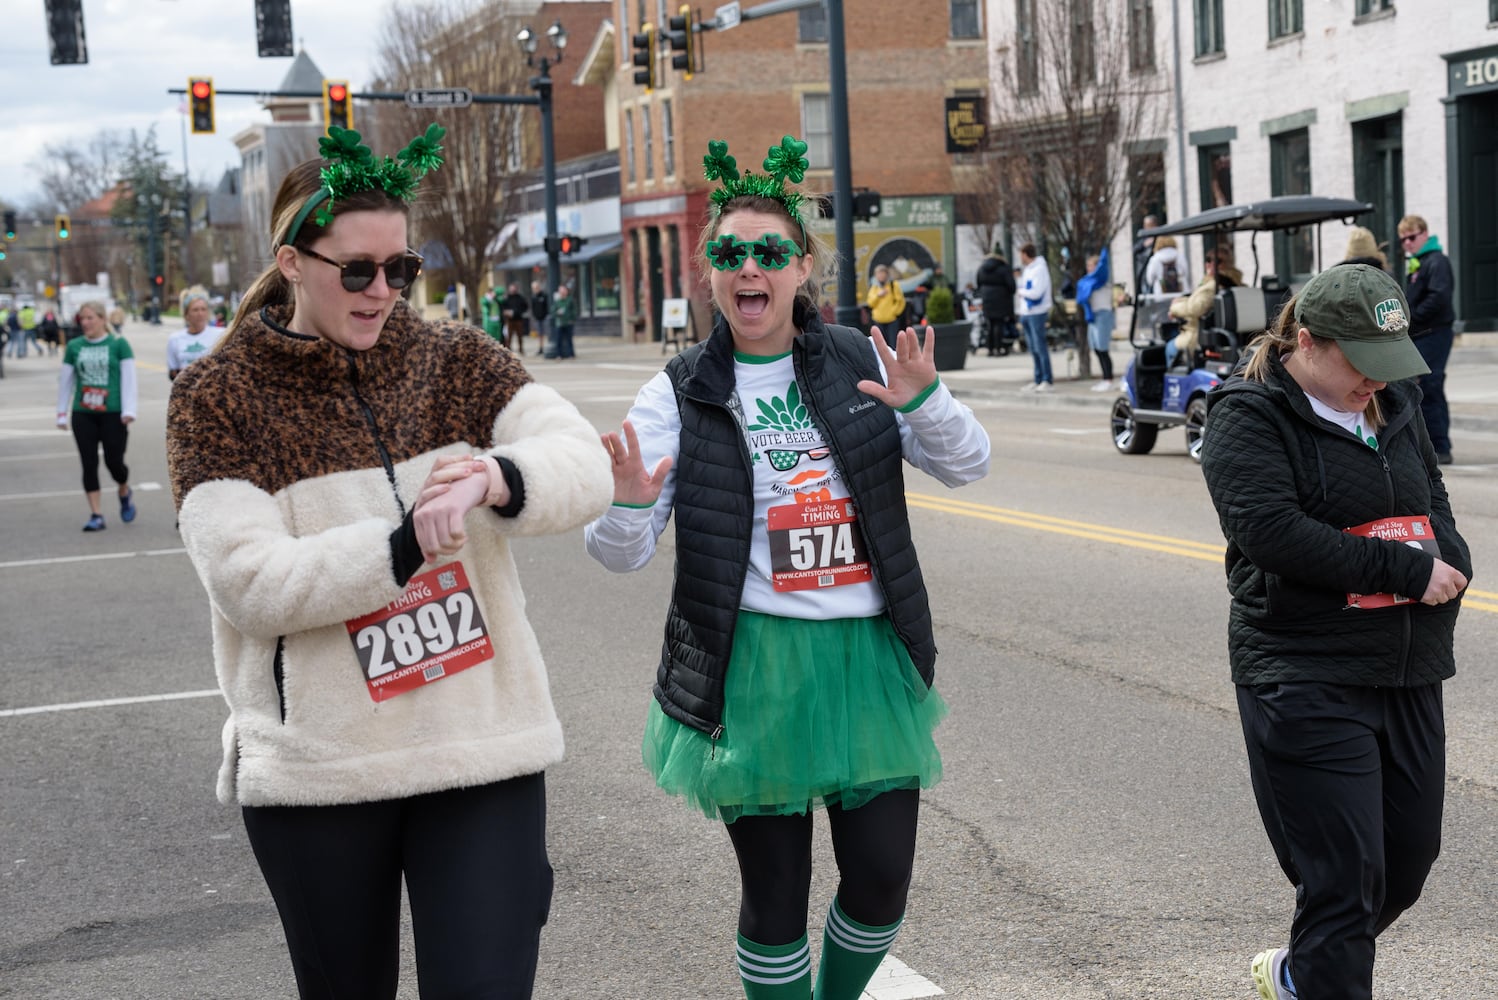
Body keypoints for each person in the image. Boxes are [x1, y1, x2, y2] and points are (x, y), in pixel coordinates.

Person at [164, 123, 612, 1000]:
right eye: (357, 270)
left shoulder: (453, 359)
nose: (383, 291)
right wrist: (400, 544)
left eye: (400, 268)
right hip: (322, 767)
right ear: (292, 261)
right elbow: (248, 582)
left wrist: (498, 473)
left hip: (477, 748)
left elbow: (582, 460)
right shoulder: (217, 397)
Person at [584, 135, 990, 1000]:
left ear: (802, 267)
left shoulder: (856, 358)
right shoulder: (681, 389)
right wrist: (621, 502)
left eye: (770, 251)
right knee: (776, 896)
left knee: (881, 882)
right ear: (709, 275)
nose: (750, 268)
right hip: (754, 664)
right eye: (730, 253)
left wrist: (928, 400)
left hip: (866, 660)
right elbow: (619, 555)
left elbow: (967, 465)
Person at [1200, 264, 1471, 1000]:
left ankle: (1301, 972)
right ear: (1309, 342)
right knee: (1344, 882)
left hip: (1408, 666)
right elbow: (1270, 532)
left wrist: (1451, 557)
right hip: (1304, 668)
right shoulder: (1248, 412)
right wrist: (1405, 570)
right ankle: (1324, 971)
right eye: (1361, 364)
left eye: (1388, 365)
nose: (1377, 383)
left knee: (1407, 866)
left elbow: (1432, 502)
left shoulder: (1399, 403)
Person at [56, 300, 137, 532]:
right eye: (83, 319)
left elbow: (129, 379)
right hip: (84, 414)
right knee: (88, 463)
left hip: (113, 413)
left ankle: (123, 488)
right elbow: (66, 381)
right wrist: (61, 412)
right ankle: (96, 514)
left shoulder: (119, 345)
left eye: (91, 318)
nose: (86, 323)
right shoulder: (74, 347)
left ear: (103, 319)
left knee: (115, 463)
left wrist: (129, 409)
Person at [1397, 214, 1456, 465]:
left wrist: (1410, 319)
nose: (1407, 243)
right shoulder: (1420, 263)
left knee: (1430, 385)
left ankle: (1440, 446)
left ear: (1424, 234)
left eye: (1411, 237)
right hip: (1421, 334)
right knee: (1423, 387)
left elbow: (1439, 298)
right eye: (1403, 240)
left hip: (1434, 333)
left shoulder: (1436, 261)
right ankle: (1432, 445)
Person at [1164, 244, 1243, 367]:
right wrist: (1182, 300)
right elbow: (1196, 302)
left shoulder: (1213, 286)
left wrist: (1174, 308)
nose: (1210, 264)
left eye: (1217, 261)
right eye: (1208, 260)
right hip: (1220, 335)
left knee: (1169, 347)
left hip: (1198, 336)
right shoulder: (1237, 284)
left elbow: (1195, 308)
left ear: (1227, 264)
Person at [1074, 249, 1116, 390]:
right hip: (1093, 316)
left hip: (1103, 314)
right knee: (1097, 348)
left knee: (1103, 348)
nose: (1089, 269)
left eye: (1091, 266)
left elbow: (1102, 269)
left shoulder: (1101, 279)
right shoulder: (1088, 281)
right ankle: (1105, 377)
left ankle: (1108, 378)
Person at [166, 286, 227, 380]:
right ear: (186, 314)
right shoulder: (175, 339)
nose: (200, 313)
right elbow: (172, 373)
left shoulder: (220, 334)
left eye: (203, 309)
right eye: (195, 310)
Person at [1016, 243, 1053, 391]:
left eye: (1021, 254)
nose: (1020, 257)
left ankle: (1046, 379)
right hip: (1027, 312)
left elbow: (1037, 292)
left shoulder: (1039, 269)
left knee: (1040, 346)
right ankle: (1038, 379)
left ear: (1026, 254)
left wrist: (1022, 292)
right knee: (1033, 348)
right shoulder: (1028, 270)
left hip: (1037, 312)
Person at [974, 245, 1017, 356]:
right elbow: (1011, 286)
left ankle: (990, 349)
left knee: (990, 324)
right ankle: (998, 348)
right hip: (1001, 299)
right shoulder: (1004, 268)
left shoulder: (982, 268)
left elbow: (978, 283)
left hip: (987, 299)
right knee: (999, 324)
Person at [864, 263, 905, 341]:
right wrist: (878, 296)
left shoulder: (893, 285)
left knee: (893, 343)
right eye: (879, 274)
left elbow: (900, 301)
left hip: (892, 319)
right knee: (881, 343)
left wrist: (894, 312)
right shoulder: (874, 288)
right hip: (878, 320)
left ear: (887, 274)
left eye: (883, 273)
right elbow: (870, 303)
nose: (881, 276)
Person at [547, 283, 577, 360]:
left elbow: (574, 311)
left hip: (568, 322)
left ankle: (571, 354)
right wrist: (557, 313)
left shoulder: (570, 300)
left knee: (569, 339)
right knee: (558, 339)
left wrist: (571, 318)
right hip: (559, 323)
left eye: (564, 290)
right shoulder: (557, 301)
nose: (562, 292)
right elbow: (553, 311)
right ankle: (559, 355)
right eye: (561, 290)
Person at [502, 282, 530, 354]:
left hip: (518, 319)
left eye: (514, 288)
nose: (512, 290)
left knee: (520, 335)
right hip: (510, 320)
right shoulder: (507, 298)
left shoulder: (520, 298)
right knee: (509, 336)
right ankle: (508, 349)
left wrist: (518, 312)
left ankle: (521, 349)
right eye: (511, 289)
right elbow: (503, 308)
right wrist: (506, 312)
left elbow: (525, 306)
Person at [530, 279, 550, 353]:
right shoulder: (533, 297)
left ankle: (547, 347)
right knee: (539, 334)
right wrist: (534, 316)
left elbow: (547, 306)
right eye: (534, 288)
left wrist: (546, 315)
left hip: (544, 317)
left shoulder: (544, 296)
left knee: (547, 333)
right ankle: (541, 348)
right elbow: (533, 308)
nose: (535, 289)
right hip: (537, 318)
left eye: (536, 287)